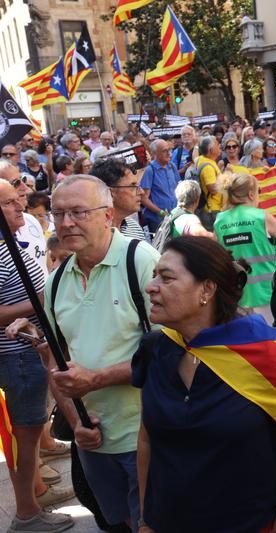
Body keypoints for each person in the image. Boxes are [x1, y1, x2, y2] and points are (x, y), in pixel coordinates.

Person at [131, 236, 276, 533]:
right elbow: (148, 440)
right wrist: (147, 518)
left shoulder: (263, 354)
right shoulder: (155, 349)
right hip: (171, 522)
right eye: (154, 276)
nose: (151, 286)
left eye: (167, 277)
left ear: (207, 290)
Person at [22, 174, 159, 529]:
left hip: (149, 435)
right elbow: (56, 358)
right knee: (117, 524)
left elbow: (173, 350)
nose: (67, 223)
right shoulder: (56, 281)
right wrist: (75, 418)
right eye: (59, 213)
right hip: (94, 442)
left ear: (108, 215)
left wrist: (97, 378)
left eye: (79, 212)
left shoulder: (142, 262)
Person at [0, 180, 75, 532]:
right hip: (17, 356)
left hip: (27, 352)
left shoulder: (9, 243)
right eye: (10, 202)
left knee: (29, 435)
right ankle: (27, 513)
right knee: (25, 438)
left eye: (19, 199)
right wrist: (44, 299)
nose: (20, 206)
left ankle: (34, 497)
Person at [214, 172, 276, 322]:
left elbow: (217, 252)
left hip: (236, 295)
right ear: (251, 194)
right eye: (259, 192)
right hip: (265, 293)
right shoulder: (261, 217)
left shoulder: (219, 220)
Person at [90, 158, 149, 242]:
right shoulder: (90, 234)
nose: (141, 192)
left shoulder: (134, 227)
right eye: (132, 186)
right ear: (110, 192)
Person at [140, 140, 181, 234]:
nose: (168, 153)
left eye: (169, 150)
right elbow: (144, 198)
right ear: (155, 154)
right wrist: (161, 212)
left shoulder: (172, 166)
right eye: (164, 151)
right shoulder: (149, 170)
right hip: (157, 220)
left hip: (174, 216)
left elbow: (179, 188)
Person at [196, 136, 223, 227]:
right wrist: (227, 179)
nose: (219, 146)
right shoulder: (208, 167)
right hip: (212, 210)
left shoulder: (201, 159)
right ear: (211, 150)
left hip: (211, 208)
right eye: (217, 144)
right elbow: (213, 189)